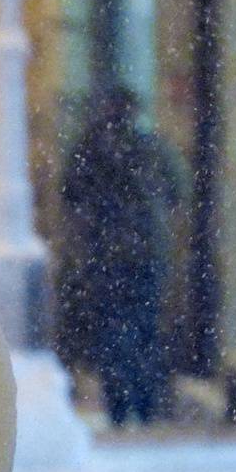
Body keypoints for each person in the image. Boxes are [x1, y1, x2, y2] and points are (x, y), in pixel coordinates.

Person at [60, 88, 185, 427]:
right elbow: (176, 194)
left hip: (107, 256)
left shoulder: (90, 150)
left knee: (112, 331)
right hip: (143, 253)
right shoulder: (150, 148)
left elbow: (70, 201)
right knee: (143, 330)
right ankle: (142, 402)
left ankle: (121, 403)